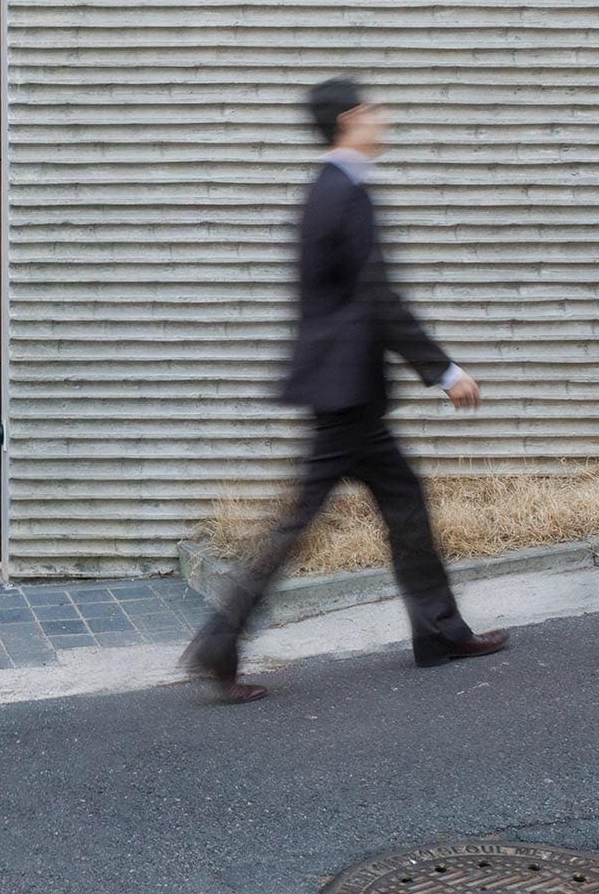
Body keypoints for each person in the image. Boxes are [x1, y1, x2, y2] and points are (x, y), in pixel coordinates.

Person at [183, 76, 508, 703]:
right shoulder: (346, 195)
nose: (383, 118)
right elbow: (377, 297)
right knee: (307, 522)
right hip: (349, 394)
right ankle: (219, 644)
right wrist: (443, 371)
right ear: (352, 119)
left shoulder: (325, 191)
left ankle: (437, 632)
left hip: (341, 390)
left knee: (394, 503)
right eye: (375, 110)